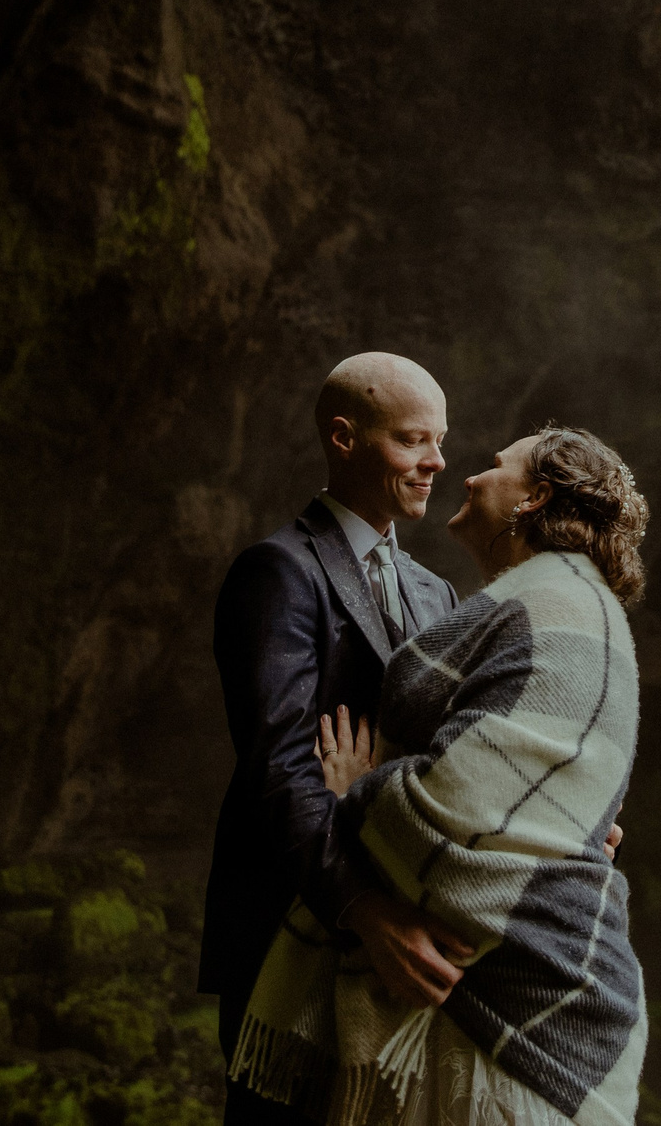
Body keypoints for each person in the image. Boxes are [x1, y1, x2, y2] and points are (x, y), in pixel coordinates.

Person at [230, 426, 651, 1126]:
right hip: (493, 994)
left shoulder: (557, 607)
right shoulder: (537, 607)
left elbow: (461, 802)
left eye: (495, 465)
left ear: (535, 496)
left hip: (512, 1014)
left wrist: (351, 799)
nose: (466, 474)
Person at [203, 353, 469, 1126]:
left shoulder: (434, 590)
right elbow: (281, 771)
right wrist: (363, 910)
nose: (437, 462)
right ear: (345, 438)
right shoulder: (277, 571)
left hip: (397, 940)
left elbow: (449, 761)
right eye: (414, 439)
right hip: (291, 932)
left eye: (441, 440)